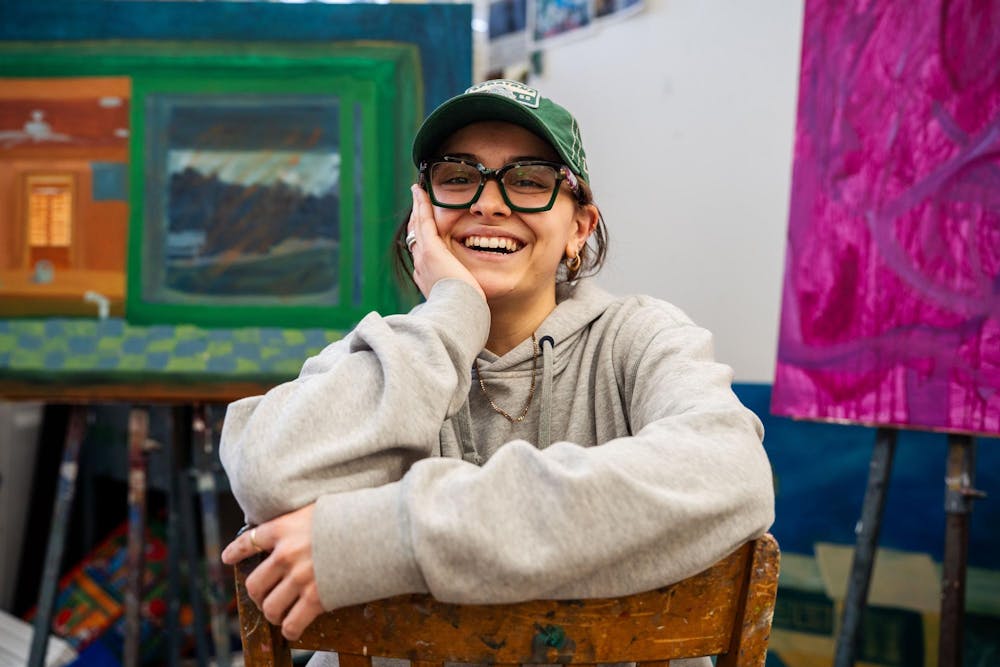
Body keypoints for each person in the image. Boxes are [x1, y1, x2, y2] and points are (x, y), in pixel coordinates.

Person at [220, 79, 775, 667]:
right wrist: (453, 312)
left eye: (530, 181)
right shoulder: (385, 356)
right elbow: (265, 473)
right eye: (458, 177)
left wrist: (393, 537)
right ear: (423, 214)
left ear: (580, 228)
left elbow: (730, 471)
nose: (489, 203)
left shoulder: (639, 339)